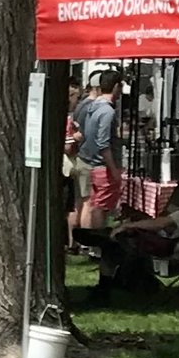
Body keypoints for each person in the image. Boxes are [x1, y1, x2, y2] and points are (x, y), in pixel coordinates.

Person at [73, 67, 123, 242]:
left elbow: (82, 130)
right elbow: (103, 143)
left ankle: (88, 242)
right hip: (98, 164)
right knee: (96, 206)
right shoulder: (107, 111)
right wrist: (114, 169)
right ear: (116, 86)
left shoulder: (91, 106)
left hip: (85, 158)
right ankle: (93, 243)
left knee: (89, 203)